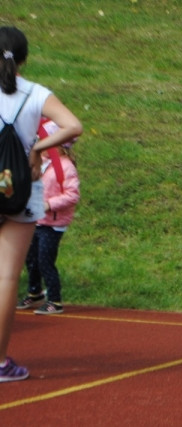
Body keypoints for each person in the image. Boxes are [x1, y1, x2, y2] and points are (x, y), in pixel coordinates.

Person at [0, 26, 82, 383]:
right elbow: (73, 126)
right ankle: (0, 363)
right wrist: (36, 149)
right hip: (19, 190)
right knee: (5, 278)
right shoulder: (35, 93)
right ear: (24, 59)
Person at [16, 119, 80, 315]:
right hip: (36, 220)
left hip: (53, 223)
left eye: (43, 140)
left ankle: (55, 299)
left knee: (45, 260)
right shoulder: (42, 163)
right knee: (31, 258)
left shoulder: (66, 167)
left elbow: (72, 195)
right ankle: (35, 292)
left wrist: (49, 204)